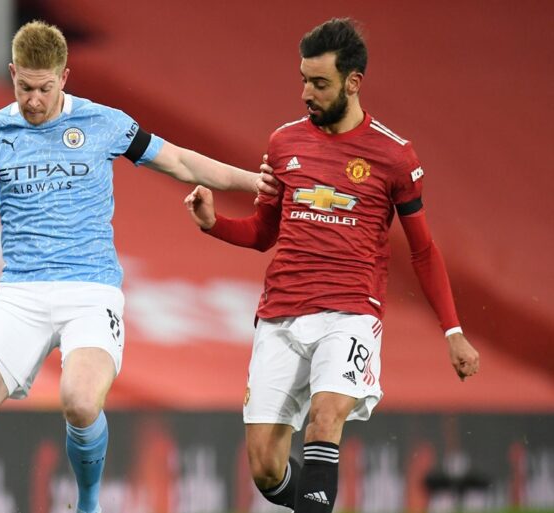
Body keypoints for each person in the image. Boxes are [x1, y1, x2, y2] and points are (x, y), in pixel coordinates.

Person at [0, 20, 275, 513]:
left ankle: (87, 504)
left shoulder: (104, 123)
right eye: (24, 87)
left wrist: (255, 182)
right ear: (12, 73)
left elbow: (181, 162)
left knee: (81, 403)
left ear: (64, 76)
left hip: (90, 290)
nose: (33, 100)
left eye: (44, 88)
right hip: (20, 291)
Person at [184, 18, 480, 513]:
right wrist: (214, 224)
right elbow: (263, 234)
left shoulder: (393, 156)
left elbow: (423, 250)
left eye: (320, 83)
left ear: (353, 82)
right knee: (265, 466)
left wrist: (453, 332)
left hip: (350, 314)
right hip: (280, 314)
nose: (307, 93)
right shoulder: (284, 143)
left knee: (325, 419)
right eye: (304, 80)